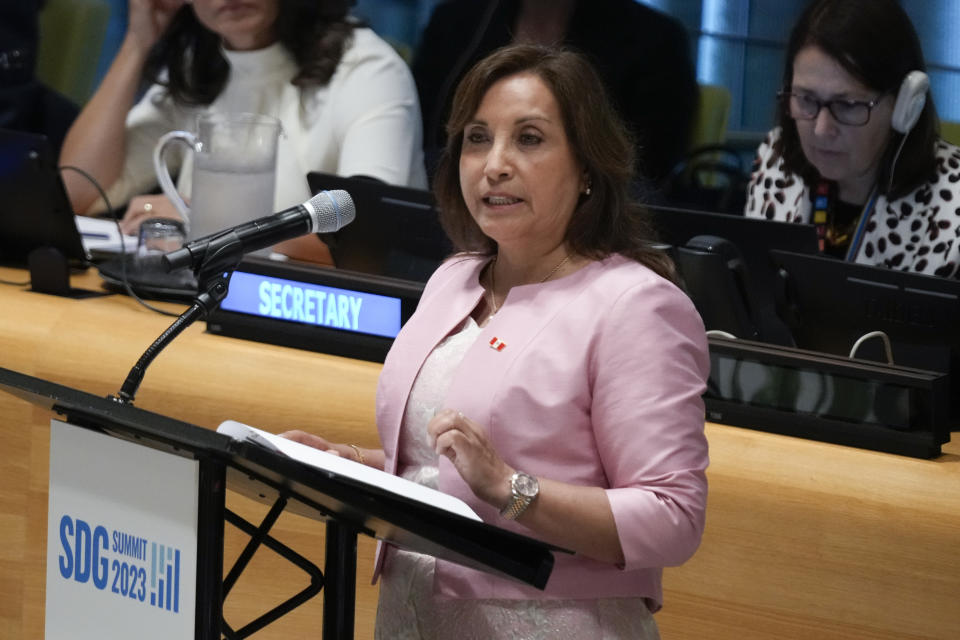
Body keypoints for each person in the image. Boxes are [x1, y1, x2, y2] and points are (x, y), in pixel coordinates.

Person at [284, 44, 710, 639]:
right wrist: (353, 466)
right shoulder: (453, 277)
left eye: (529, 139)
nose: (495, 163)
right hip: (413, 617)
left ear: (587, 167)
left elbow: (673, 518)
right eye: (477, 138)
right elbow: (444, 470)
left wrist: (514, 491)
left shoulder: (635, 306)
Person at [59, 0, 426, 263]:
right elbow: (78, 192)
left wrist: (204, 222)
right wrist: (138, 42)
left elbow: (364, 246)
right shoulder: (199, 67)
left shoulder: (369, 70)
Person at [744, 0, 960, 279]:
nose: (822, 129)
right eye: (807, 99)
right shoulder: (776, 160)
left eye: (847, 105)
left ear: (906, 105)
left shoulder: (953, 206)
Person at [411, 0, 698, 187]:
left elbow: (648, 168)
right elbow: (421, 129)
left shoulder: (655, 39)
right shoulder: (459, 19)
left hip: (589, 223)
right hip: (454, 202)